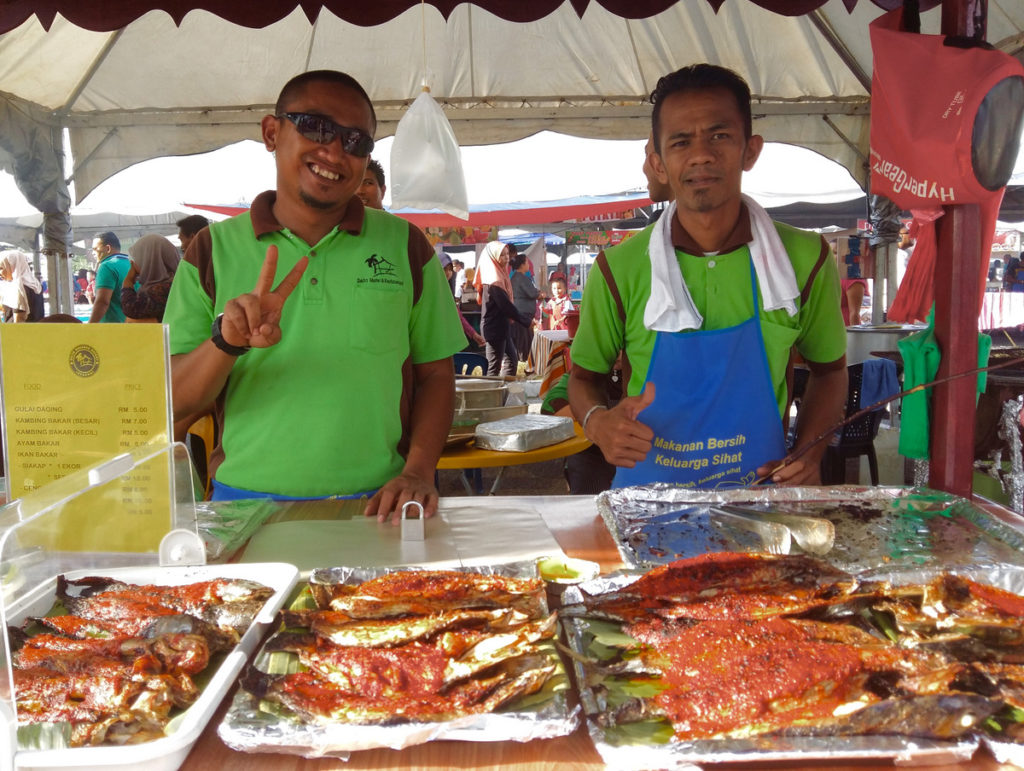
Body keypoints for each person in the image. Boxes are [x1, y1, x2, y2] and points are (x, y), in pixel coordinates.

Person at [163, 69, 466, 517]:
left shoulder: (406, 246)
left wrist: (418, 471)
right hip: (243, 506)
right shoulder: (210, 251)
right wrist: (226, 341)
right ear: (271, 132)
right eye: (316, 127)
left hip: (377, 506)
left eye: (356, 141)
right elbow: (173, 400)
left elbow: (437, 376)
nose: (334, 151)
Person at [569, 64, 847, 490]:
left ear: (750, 150)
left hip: (760, 502)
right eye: (681, 142)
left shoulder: (804, 259)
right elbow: (583, 378)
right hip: (646, 510)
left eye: (719, 136)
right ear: (658, 163)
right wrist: (597, 422)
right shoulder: (618, 268)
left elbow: (830, 372)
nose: (701, 155)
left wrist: (810, 450)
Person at [476, 240, 531, 376]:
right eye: (502, 255)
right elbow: (506, 306)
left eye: (507, 254)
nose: (506, 258)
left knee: (511, 360)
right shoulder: (493, 280)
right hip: (494, 328)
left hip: (501, 326)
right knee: (494, 367)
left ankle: (503, 393)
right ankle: (492, 395)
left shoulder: (499, 275)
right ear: (493, 257)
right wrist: (526, 321)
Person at [121, 233, 181, 322]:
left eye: (136, 259)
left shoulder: (164, 288)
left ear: (149, 261)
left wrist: (128, 281)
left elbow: (130, 308)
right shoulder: (175, 282)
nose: (132, 263)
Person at [88, 231, 132, 323]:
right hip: (131, 326)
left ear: (108, 248)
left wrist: (90, 326)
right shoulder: (131, 264)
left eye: (95, 249)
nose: (93, 253)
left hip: (112, 329)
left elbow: (103, 301)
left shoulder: (107, 266)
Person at [510, 252, 540, 363]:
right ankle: (524, 363)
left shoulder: (516, 277)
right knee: (524, 341)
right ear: (522, 265)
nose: (529, 264)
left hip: (520, 313)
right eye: (527, 262)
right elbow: (532, 293)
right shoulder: (521, 278)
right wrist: (540, 294)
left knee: (522, 340)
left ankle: (524, 362)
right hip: (523, 314)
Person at [0, 249, 45, 322]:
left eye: (1, 268)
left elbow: (19, 320)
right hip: (37, 330)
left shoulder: (18, 288)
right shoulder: (35, 284)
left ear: (13, 266)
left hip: (18, 332)